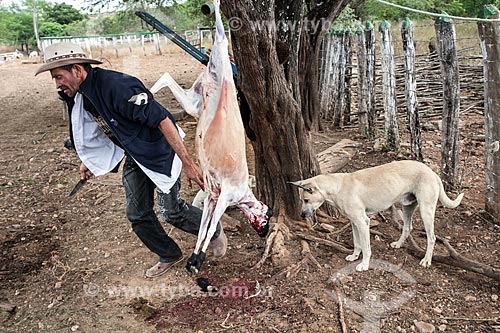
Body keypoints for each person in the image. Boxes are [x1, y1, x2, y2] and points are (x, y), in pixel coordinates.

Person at [35, 42, 227, 278]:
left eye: (58, 76)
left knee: (171, 211)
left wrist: (187, 162)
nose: (57, 84)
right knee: (137, 214)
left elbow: (163, 120)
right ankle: (169, 253)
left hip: (160, 150)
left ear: (77, 69)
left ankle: (213, 230)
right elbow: (96, 129)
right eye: (54, 78)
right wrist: (91, 161)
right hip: (135, 153)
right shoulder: (80, 94)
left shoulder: (117, 86)